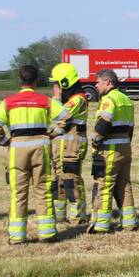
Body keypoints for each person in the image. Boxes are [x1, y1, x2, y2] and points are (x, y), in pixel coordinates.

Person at [0, 65, 66, 244]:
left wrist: (4, 141)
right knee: (44, 190)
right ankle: (47, 234)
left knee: (19, 193)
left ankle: (17, 237)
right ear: (36, 81)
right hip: (41, 148)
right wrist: (54, 133)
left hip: (17, 149)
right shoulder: (45, 101)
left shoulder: (9, 101)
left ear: (20, 80)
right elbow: (66, 117)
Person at [89, 69, 137, 233]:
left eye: (98, 82)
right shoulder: (126, 99)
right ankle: (129, 222)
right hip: (125, 147)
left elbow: (105, 122)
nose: (96, 85)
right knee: (124, 185)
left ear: (107, 82)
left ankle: (101, 226)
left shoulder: (108, 99)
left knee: (105, 184)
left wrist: (95, 141)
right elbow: (131, 127)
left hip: (110, 148)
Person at [48, 62, 89, 224]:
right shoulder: (67, 99)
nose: (54, 89)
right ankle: (59, 216)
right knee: (57, 181)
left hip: (73, 147)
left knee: (71, 180)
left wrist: (56, 99)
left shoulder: (79, 99)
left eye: (56, 85)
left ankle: (77, 218)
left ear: (65, 83)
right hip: (59, 146)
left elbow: (59, 115)